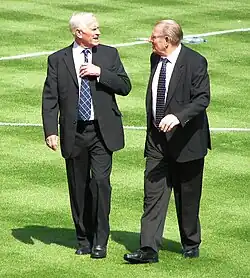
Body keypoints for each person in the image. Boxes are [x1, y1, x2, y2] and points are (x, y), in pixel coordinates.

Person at [42, 12, 131, 259]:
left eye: (98, 28)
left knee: (101, 183)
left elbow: (125, 86)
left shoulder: (109, 54)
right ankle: (83, 239)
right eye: (94, 28)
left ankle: (101, 241)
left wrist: (100, 72)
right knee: (78, 187)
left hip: (102, 133)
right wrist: (51, 131)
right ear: (78, 33)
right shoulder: (57, 59)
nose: (98, 32)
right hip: (74, 132)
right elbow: (50, 98)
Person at [124, 19, 211, 264]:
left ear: (168, 40)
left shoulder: (195, 62)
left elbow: (202, 98)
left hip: (187, 142)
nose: (150, 40)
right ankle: (148, 249)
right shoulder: (155, 59)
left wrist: (177, 116)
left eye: (154, 37)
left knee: (188, 197)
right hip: (156, 141)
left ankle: (191, 243)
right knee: (152, 195)